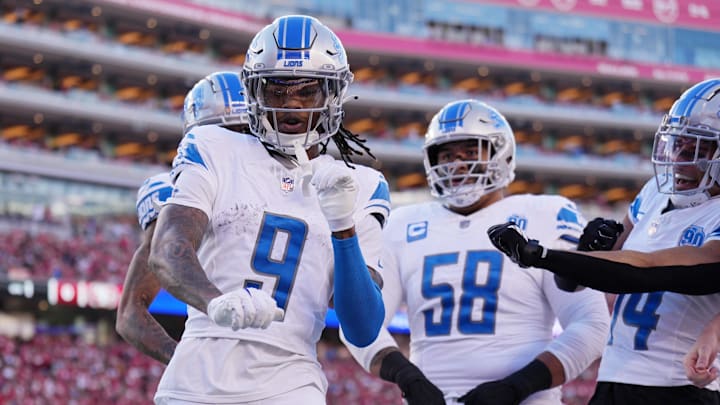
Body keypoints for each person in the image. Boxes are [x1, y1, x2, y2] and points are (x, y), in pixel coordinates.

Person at [148, 15, 390, 404]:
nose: (291, 103)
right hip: (193, 382)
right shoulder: (214, 147)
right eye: (276, 90)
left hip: (289, 385)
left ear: (332, 95)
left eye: (306, 91)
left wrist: (343, 227)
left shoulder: (362, 185)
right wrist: (215, 301)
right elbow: (167, 250)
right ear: (254, 93)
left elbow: (362, 328)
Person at [341, 99, 610, 405]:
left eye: (470, 152)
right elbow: (360, 324)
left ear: (501, 153)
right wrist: (406, 375)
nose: (457, 164)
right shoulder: (403, 223)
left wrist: (518, 386)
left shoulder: (546, 213)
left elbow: (591, 324)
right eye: (446, 155)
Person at [488, 78, 720, 404]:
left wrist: (541, 254)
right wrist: (586, 252)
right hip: (614, 378)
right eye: (680, 143)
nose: (681, 157)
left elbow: (644, 269)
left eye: (700, 148)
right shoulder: (655, 194)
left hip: (679, 387)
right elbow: (576, 283)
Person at [115, 71, 251, 364]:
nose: (239, 143)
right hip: (215, 361)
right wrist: (182, 361)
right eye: (227, 133)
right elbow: (130, 313)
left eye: (246, 132)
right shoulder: (175, 195)